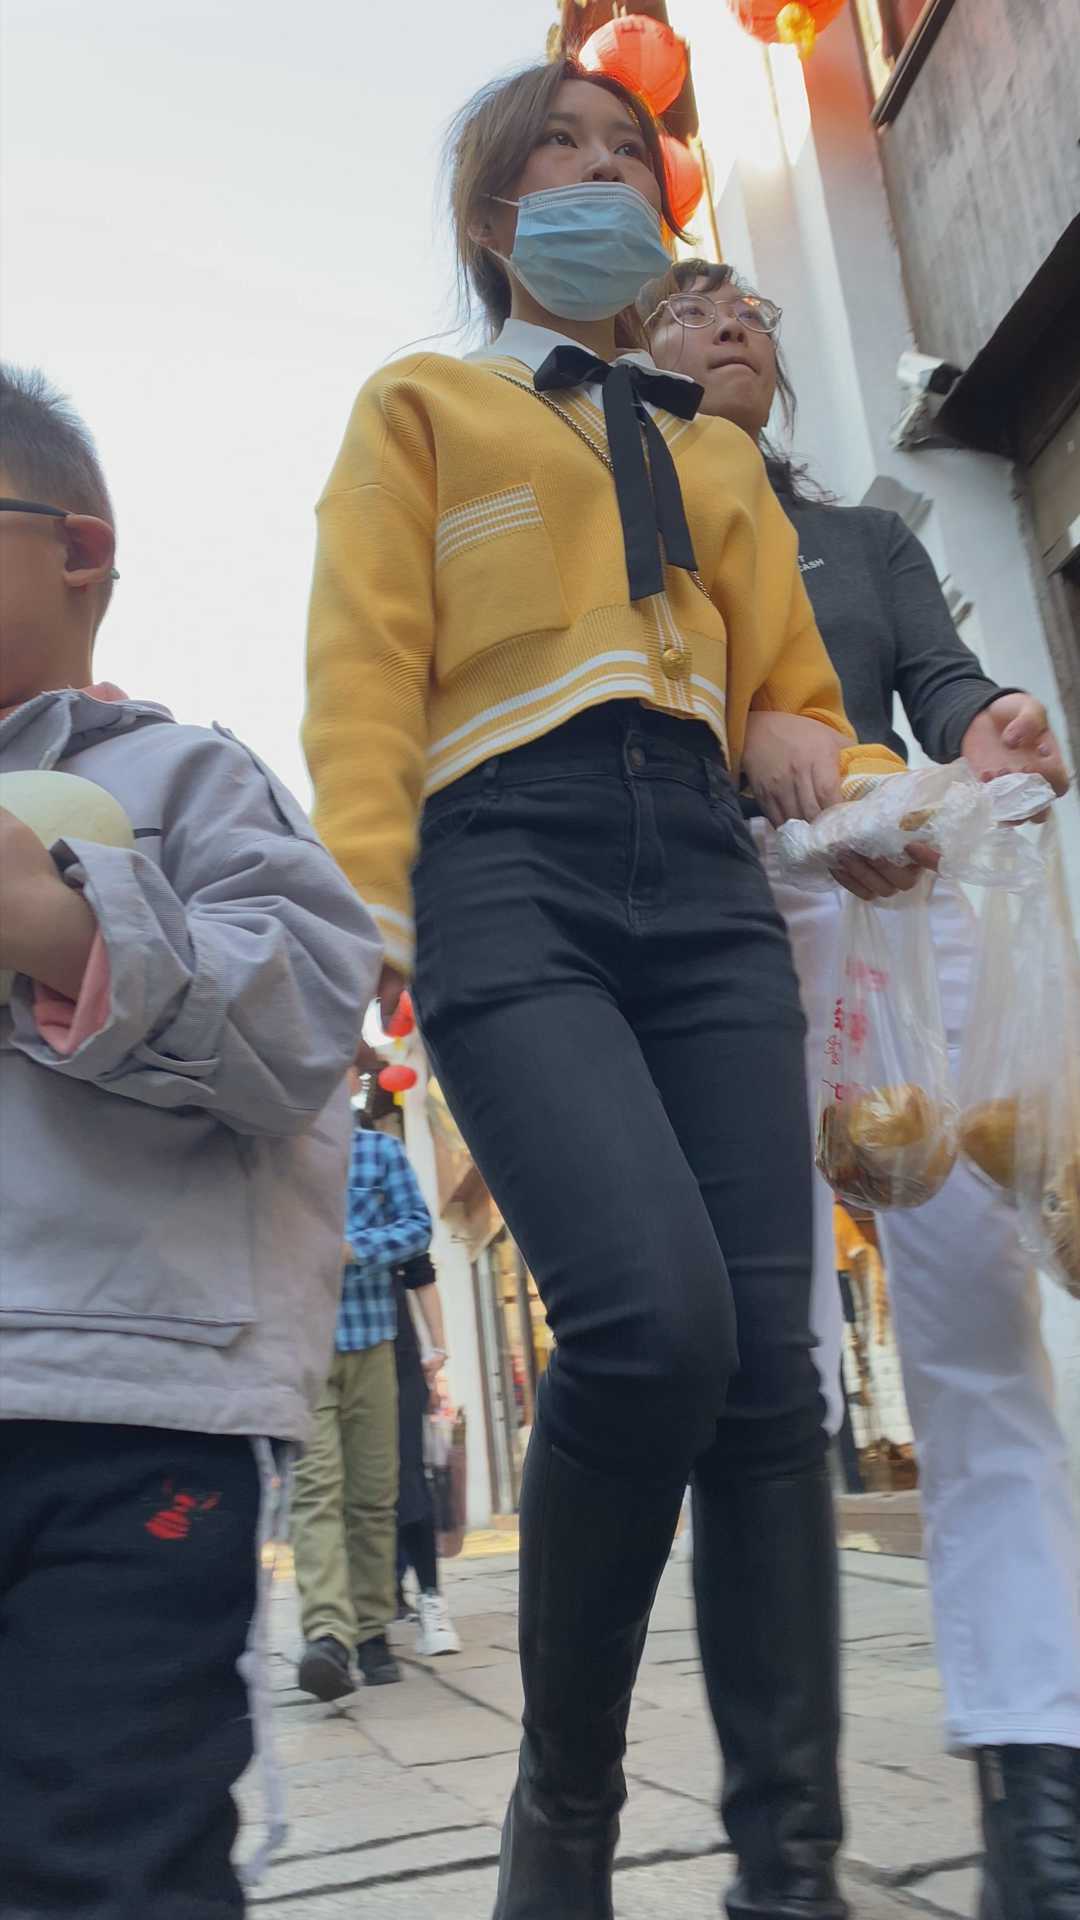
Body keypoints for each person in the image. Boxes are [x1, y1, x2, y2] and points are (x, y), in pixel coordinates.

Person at [303, 60, 927, 1920]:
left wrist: (871, 784)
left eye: (628, 151)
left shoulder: (716, 458)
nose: (600, 172)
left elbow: (790, 696)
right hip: (508, 869)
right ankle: (563, 1808)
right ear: (496, 216)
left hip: (708, 888)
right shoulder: (422, 407)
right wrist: (365, 917)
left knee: (768, 1390)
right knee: (653, 1325)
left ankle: (789, 1875)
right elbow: (364, 673)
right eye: (556, 151)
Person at [643, 259, 1080, 1918]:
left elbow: (944, 689)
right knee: (767, 1375)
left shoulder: (863, 539)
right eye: (690, 303)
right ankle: (785, 1840)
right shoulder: (617, 527)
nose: (731, 321)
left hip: (902, 913)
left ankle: (1040, 1804)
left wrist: (995, 724)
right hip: (713, 937)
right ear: (631, 348)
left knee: (980, 1352)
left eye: (748, 305)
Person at [0, 365, 380, 1918]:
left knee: (110, 1850)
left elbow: (305, 1018)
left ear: (77, 550)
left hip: (126, 1407)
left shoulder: (185, 778)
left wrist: (58, 924)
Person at [292, 1083, 433, 1700]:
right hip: (303, 1344)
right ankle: (328, 1635)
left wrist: (356, 1249)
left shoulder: (382, 1153)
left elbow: (419, 1227)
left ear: (349, 1078)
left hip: (373, 1341)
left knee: (374, 1493)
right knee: (315, 1491)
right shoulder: (276, 1151)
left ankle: (373, 1630)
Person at [394, 1249, 462, 1656]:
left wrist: (438, 1347)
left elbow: (419, 1268)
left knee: (409, 1476)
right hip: (327, 1353)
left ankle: (430, 1596)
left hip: (398, 1354)